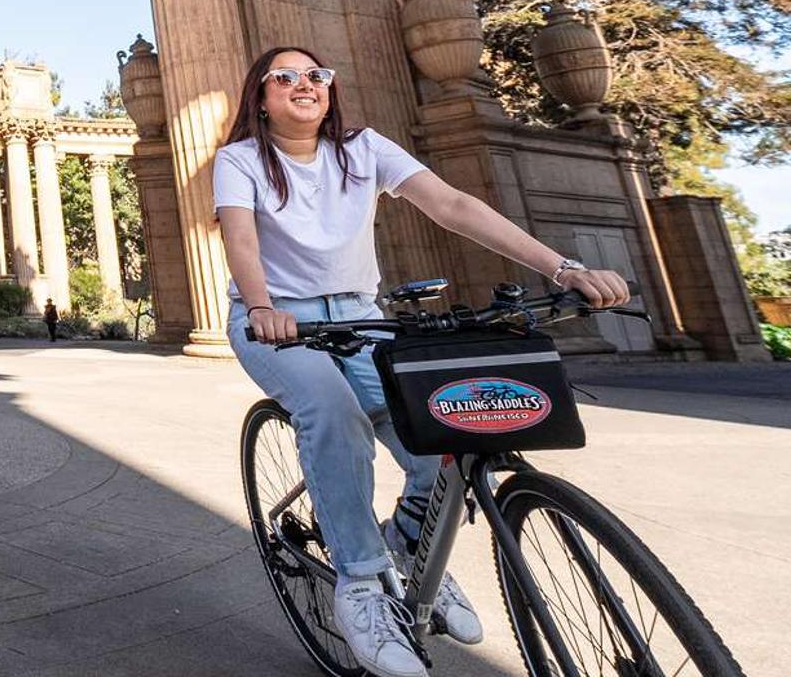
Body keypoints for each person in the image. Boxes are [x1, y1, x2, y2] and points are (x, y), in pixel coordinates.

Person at [214, 47, 629, 677]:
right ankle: (359, 581)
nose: (305, 84)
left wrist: (562, 267)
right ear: (261, 96)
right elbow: (240, 236)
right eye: (286, 77)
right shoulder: (240, 159)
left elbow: (453, 206)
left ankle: (411, 546)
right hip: (278, 319)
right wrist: (264, 304)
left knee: (445, 424)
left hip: (359, 312)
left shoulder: (364, 149)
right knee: (334, 414)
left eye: (317, 75)